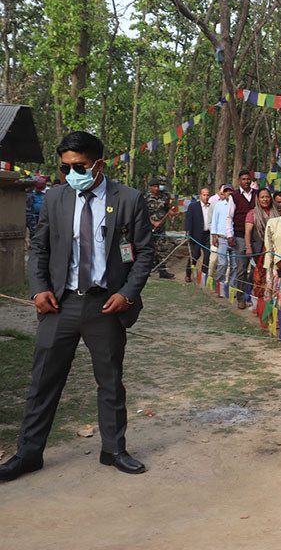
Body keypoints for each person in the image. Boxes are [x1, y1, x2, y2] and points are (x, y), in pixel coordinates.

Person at [0, 131, 155, 481]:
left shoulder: (128, 199)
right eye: (65, 167)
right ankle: (28, 454)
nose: (71, 174)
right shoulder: (55, 198)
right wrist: (39, 290)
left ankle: (113, 449)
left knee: (110, 381)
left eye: (79, 166)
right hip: (61, 305)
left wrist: (127, 294)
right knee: (43, 381)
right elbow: (38, 249)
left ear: (98, 164)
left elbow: (144, 253)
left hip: (106, 306)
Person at [245, 188, 281, 303]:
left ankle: (272, 302)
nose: (265, 199)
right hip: (260, 249)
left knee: (274, 276)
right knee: (259, 276)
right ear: (258, 199)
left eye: (267, 197)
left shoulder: (278, 213)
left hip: (275, 250)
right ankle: (259, 303)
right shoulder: (253, 214)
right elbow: (248, 233)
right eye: (262, 197)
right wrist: (248, 247)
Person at [226, 171, 256, 309]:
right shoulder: (235, 196)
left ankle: (255, 297)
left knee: (258, 268)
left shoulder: (257, 195)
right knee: (241, 269)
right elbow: (229, 217)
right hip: (239, 236)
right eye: (243, 179)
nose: (246, 181)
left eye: (248, 179)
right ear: (239, 181)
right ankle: (240, 298)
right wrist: (229, 235)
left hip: (257, 236)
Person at [145, 176, 177, 279]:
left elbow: (168, 208)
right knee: (148, 249)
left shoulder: (165, 196)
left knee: (162, 249)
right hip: (149, 228)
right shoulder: (145, 198)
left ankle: (162, 271)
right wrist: (153, 222)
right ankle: (146, 270)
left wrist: (172, 213)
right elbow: (142, 213)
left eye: (158, 186)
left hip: (161, 229)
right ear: (150, 187)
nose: (157, 189)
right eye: (154, 186)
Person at [211, 184, 235, 296]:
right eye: (226, 191)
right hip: (222, 238)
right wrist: (214, 236)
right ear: (223, 193)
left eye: (230, 191)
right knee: (222, 263)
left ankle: (232, 288)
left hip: (234, 239)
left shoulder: (236, 204)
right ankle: (219, 287)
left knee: (235, 265)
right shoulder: (219, 205)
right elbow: (214, 221)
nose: (228, 193)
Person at [184, 187, 212, 283]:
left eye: (208, 195)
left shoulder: (211, 207)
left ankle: (203, 276)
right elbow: (189, 221)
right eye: (204, 195)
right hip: (196, 235)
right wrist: (188, 233)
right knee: (195, 255)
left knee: (207, 256)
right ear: (200, 196)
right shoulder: (193, 206)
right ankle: (188, 274)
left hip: (208, 235)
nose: (206, 197)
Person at [207, 184, 230, 282]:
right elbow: (212, 222)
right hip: (217, 237)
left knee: (229, 263)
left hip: (229, 238)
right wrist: (214, 235)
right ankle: (209, 278)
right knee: (213, 260)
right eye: (223, 192)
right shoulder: (214, 205)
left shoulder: (234, 205)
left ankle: (226, 282)